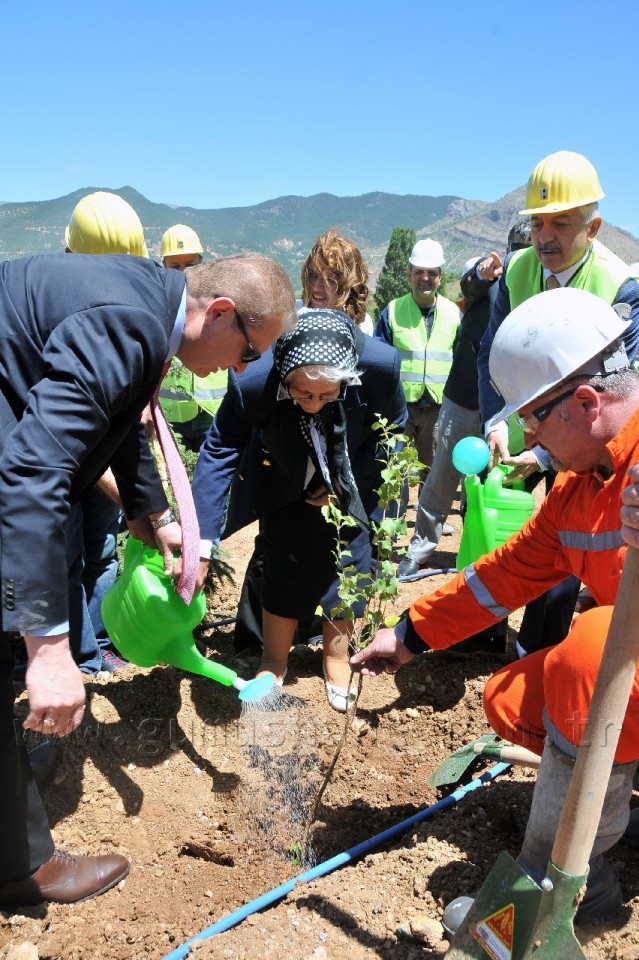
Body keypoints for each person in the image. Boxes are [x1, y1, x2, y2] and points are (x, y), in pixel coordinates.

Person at [0, 251, 295, 907]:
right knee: (12, 655)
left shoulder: (149, 308)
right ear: (219, 312)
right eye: (248, 351)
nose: (241, 369)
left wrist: (151, 516)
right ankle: (21, 867)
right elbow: (27, 474)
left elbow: (122, 421)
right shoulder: (130, 323)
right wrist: (48, 649)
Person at [351, 287, 639, 923]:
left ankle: (559, 886)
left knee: (588, 657)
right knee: (515, 697)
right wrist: (409, 634)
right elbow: (504, 576)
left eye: (534, 419)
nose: (527, 436)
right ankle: (613, 803)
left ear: (586, 403)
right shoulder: (579, 488)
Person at [193, 307, 407, 711]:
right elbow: (221, 446)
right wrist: (201, 535)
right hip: (283, 474)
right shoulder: (253, 381)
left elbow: (390, 433)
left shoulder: (380, 368)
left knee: (349, 563)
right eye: (302, 393)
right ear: (284, 376)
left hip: (350, 481)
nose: (312, 404)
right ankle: (273, 660)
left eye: (327, 395)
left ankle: (336, 658)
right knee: (283, 561)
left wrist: (346, 485)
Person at [233, 231, 377, 655]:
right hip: (286, 472)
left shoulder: (364, 340)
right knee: (273, 557)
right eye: (314, 275)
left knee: (342, 554)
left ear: (351, 282)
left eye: (332, 278)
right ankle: (255, 642)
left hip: (339, 482)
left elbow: (367, 431)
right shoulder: (290, 328)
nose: (320, 286)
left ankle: (325, 633)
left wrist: (340, 485)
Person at [478, 150, 639, 476]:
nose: (545, 237)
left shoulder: (622, 289)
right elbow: (490, 355)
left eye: (561, 224)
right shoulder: (515, 271)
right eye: (537, 224)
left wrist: (545, 457)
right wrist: (495, 423)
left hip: (582, 453)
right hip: (514, 439)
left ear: (592, 228)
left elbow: (619, 395)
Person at [396, 221, 531, 579]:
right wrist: (482, 271)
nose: (519, 255)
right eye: (515, 246)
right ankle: (419, 550)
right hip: (461, 398)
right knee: (441, 478)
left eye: (527, 248)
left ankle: (479, 555)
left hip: (507, 408)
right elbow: (469, 281)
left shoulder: (536, 290)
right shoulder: (488, 280)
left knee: (493, 481)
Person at [64, 190, 151, 674]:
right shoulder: (59, 319)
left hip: (103, 457)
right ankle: (79, 656)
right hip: (66, 466)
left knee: (100, 552)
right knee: (67, 560)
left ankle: (101, 642)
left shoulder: (126, 316)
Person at [374, 238, 460, 478]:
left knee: (432, 474)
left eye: (431, 273)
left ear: (440, 277)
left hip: (437, 408)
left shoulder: (454, 313)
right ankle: (395, 515)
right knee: (394, 469)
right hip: (400, 408)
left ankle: (426, 517)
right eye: (419, 272)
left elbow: (462, 360)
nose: (425, 278)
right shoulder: (391, 311)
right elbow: (379, 362)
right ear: (408, 274)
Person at [158, 225, 227, 452]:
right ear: (163, 266)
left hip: (211, 411)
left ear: (202, 264)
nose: (184, 272)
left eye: (190, 265)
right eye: (175, 266)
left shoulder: (221, 306)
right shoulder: (156, 307)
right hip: (171, 415)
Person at [300, 228, 374, 334]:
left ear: (349, 285)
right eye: (313, 275)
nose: (316, 287)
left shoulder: (362, 326)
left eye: (329, 280)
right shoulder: (290, 316)